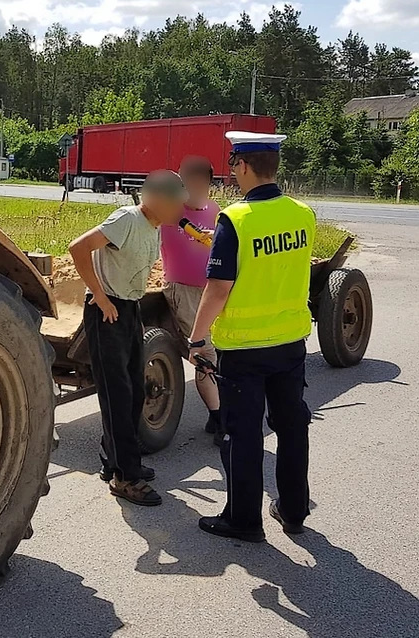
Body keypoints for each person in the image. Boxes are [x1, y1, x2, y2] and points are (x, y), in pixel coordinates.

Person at [187, 131, 316, 542]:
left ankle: (244, 520)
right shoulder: (302, 214)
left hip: (244, 347)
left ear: (242, 166)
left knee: (242, 434)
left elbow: (218, 289)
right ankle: (293, 510)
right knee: (292, 426)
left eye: (232, 163)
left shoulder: (236, 220)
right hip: (291, 343)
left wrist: (196, 338)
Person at [69, 170, 186, 507]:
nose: (181, 209)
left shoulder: (155, 227)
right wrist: (100, 296)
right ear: (158, 200)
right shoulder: (127, 220)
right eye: (177, 202)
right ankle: (126, 479)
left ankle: (117, 460)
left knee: (134, 389)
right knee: (117, 395)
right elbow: (78, 248)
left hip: (130, 309)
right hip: (107, 312)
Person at [161, 156, 223, 444]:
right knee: (204, 353)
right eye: (189, 184)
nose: (195, 190)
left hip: (212, 289)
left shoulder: (215, 210)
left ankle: (220, 407)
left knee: (219, 348)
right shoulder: (171, 212)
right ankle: (219, 417)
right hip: (182, 290)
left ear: (209, 184)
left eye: (201, 183)